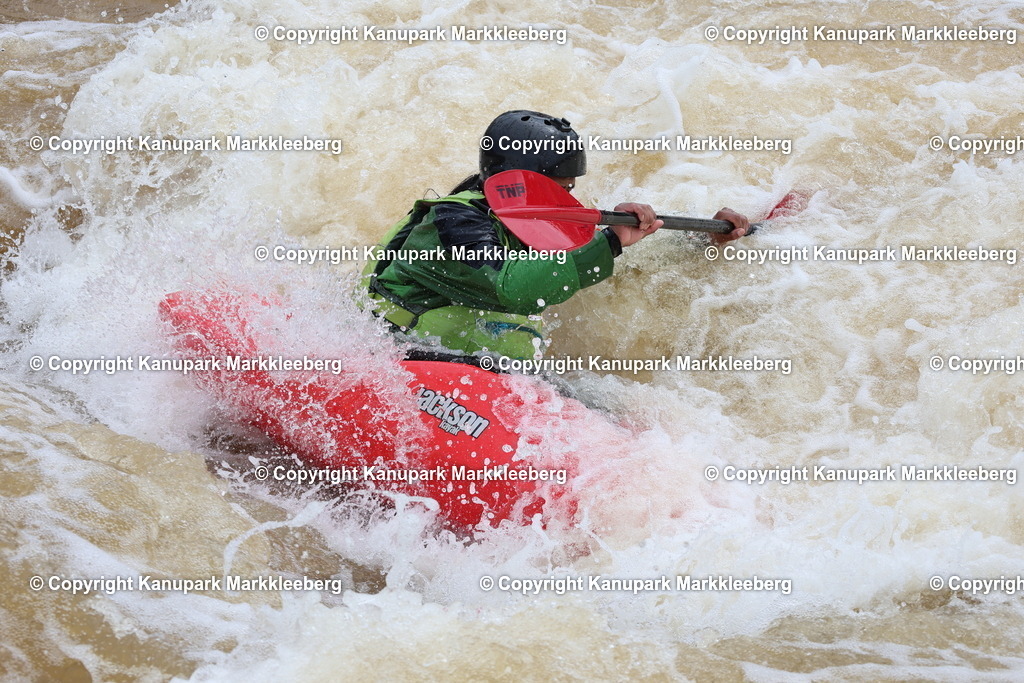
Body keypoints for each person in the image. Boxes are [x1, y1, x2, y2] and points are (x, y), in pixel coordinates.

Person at [362, 110, 750, 361]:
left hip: (466, 359)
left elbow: (630, 268)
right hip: (399, 349)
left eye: (569, 189)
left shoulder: (534, 218)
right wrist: (611, 242)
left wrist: (700, 241)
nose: (568, 199)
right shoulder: (454, 222)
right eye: (561, 189)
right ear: (521, 182)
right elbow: (509, 286)